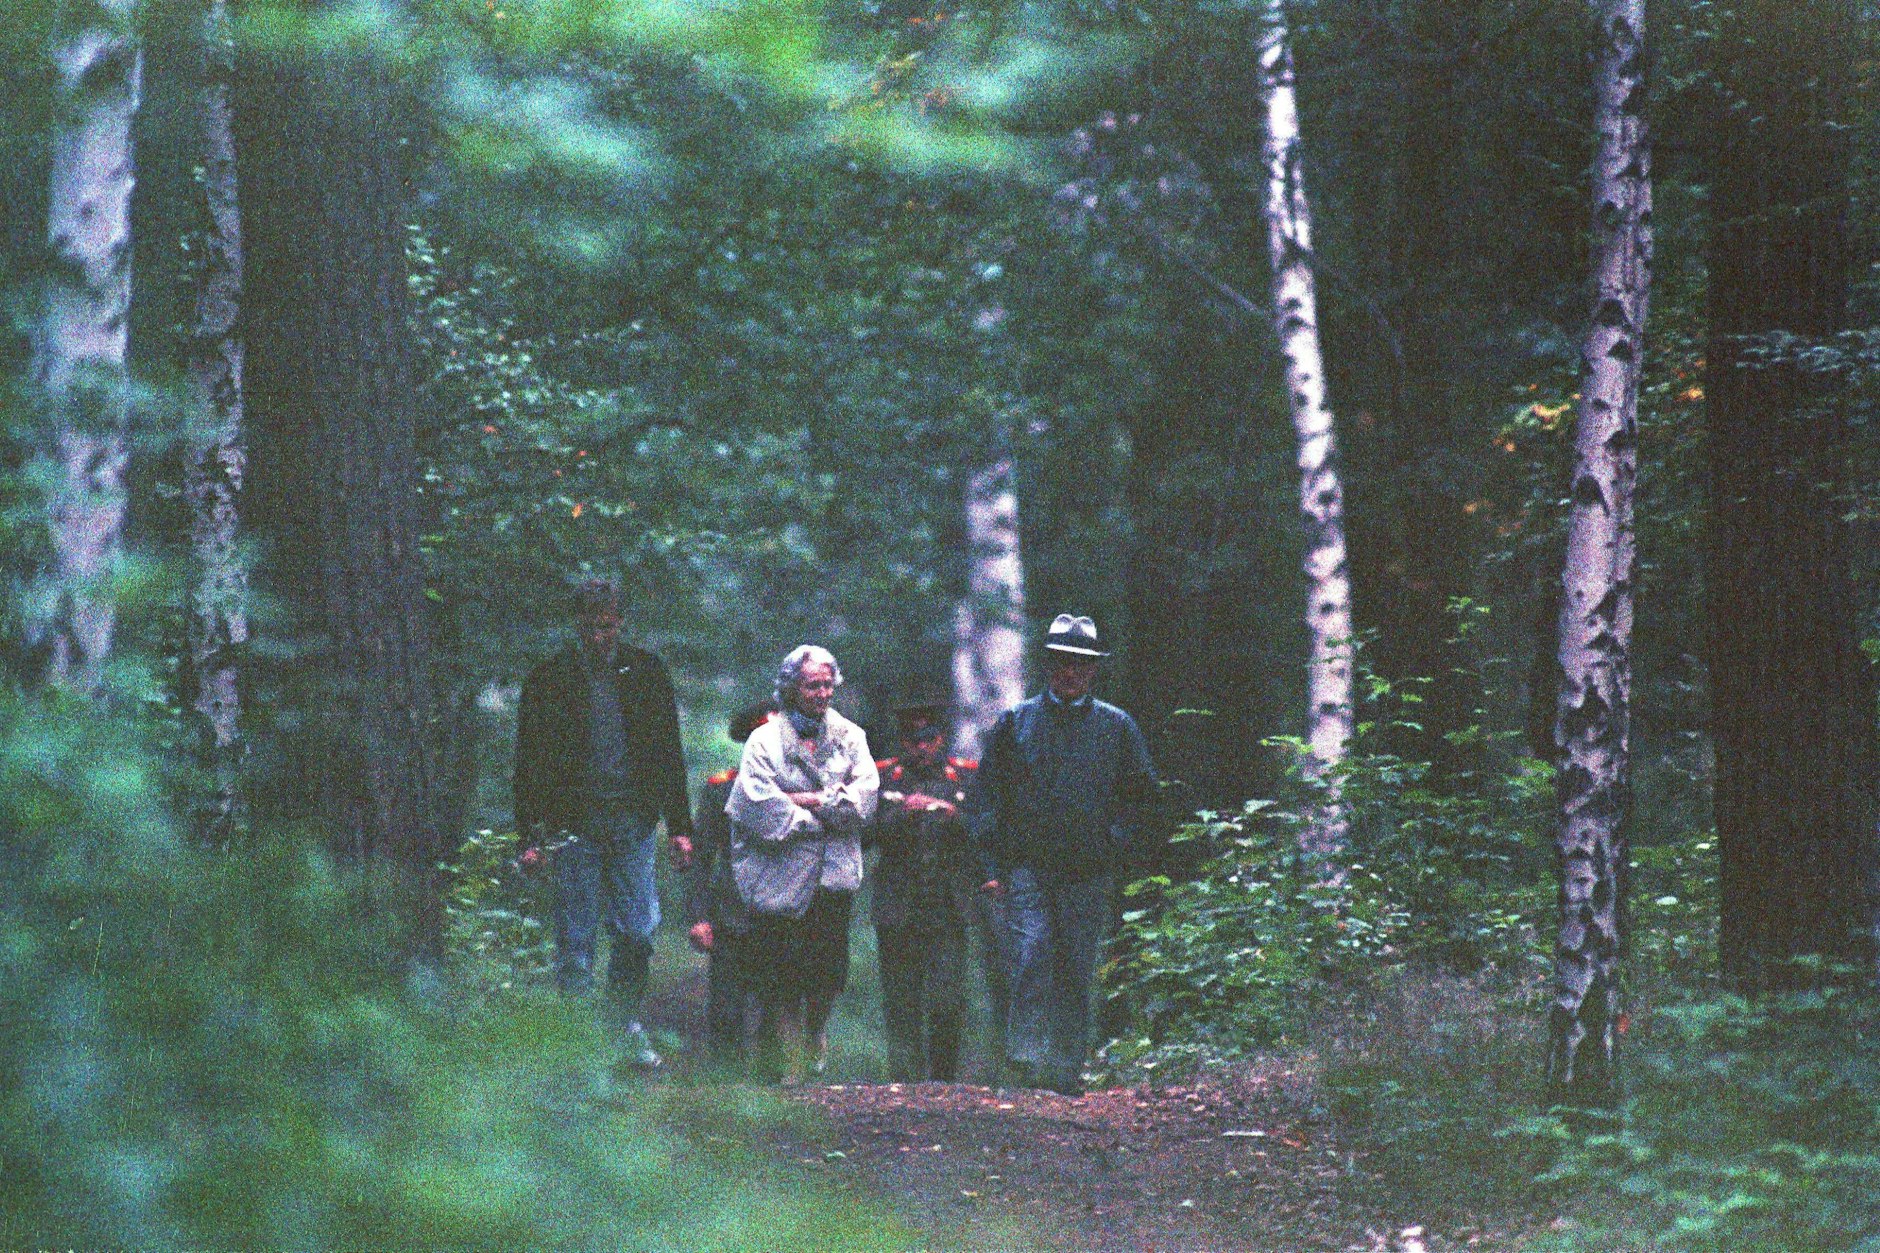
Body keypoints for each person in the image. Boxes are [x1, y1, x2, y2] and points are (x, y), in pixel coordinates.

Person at [972, 613, 1157, 1096]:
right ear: (1047, 664)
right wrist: (992, 867)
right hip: (1028, 866)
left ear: (1092, 669)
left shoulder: (1117, 727)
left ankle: (1067, 1068)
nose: (1069, 672)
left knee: (1076, 965)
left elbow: (1143, 797)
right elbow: (986, 798)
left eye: (1078, 663)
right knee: (1032, 950)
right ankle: (1027, 1058)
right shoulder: (1017, 723)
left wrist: (1115, 841)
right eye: (1060, 662)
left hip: (1088, 870)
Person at [514, 577, 694, 1069]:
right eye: (591, 627)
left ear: (621, 624)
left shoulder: (647, 673)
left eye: (608, 627)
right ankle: (577, 1047)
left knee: (637, 931)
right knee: (575, 938)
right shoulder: (550, 680)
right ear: (577, 625)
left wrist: (681, 826)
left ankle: (622, 1027)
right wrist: (530, 835)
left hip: (632, 820)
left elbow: (667, 753)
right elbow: (529, 761)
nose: (600, 637)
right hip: (573, 824)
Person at [727, 645, 878, 1084]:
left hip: (833, 874)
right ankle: (791, 1067)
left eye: (828, 684)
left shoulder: (851, 736)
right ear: (792, 687)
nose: (822, 693)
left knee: (828, 975)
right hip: (779, 876)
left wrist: (806, 801)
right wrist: (821, 811)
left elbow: (863, 799)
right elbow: (755, 803)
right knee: (784, 972)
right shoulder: (763, 740)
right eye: (813, 684)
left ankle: (815, 1034)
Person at [869, 696, 977, 1083]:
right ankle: (905, 1080)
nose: (921, 747)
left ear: (941, 739)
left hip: (948, 904)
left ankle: (944, 1079)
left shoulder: (965, 777)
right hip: (898, 903)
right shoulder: (881, 777)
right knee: (901, 997)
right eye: (913, 740)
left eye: (928, 739)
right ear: (902, 741)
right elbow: (862, 835)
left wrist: (952, 815)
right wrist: (902, 813)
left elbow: (986, 833)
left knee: (948, 996)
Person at [685, 702, 773, 1066]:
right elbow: (701, 857)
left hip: (786, 914)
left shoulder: (807, 786)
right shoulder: (722, 789)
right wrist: (698, 916)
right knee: (726, 1008)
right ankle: (726, 1090)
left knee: (777, 1007)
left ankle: (779, 1090)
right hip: (732, 911)